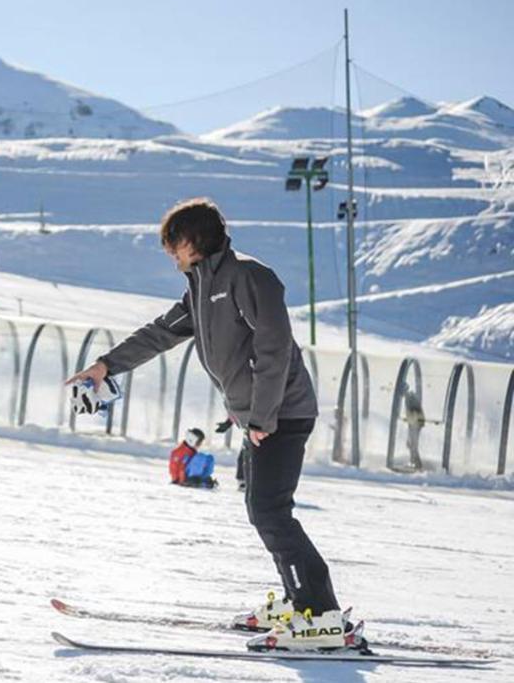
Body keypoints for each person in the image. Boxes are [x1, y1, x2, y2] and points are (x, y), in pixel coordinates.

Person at [66, 197, 360, 652]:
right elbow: (160, 333)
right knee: (264, 511)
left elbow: (275, 348)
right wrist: (106, 365)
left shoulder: (249, 277)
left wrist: (262, 414)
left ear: (191, 240)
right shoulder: (201, 286)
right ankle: (298, 601)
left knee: (270, 512)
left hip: (283, 413)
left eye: (171, 244)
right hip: (261, 418)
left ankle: (321, 617)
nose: (168, 253)